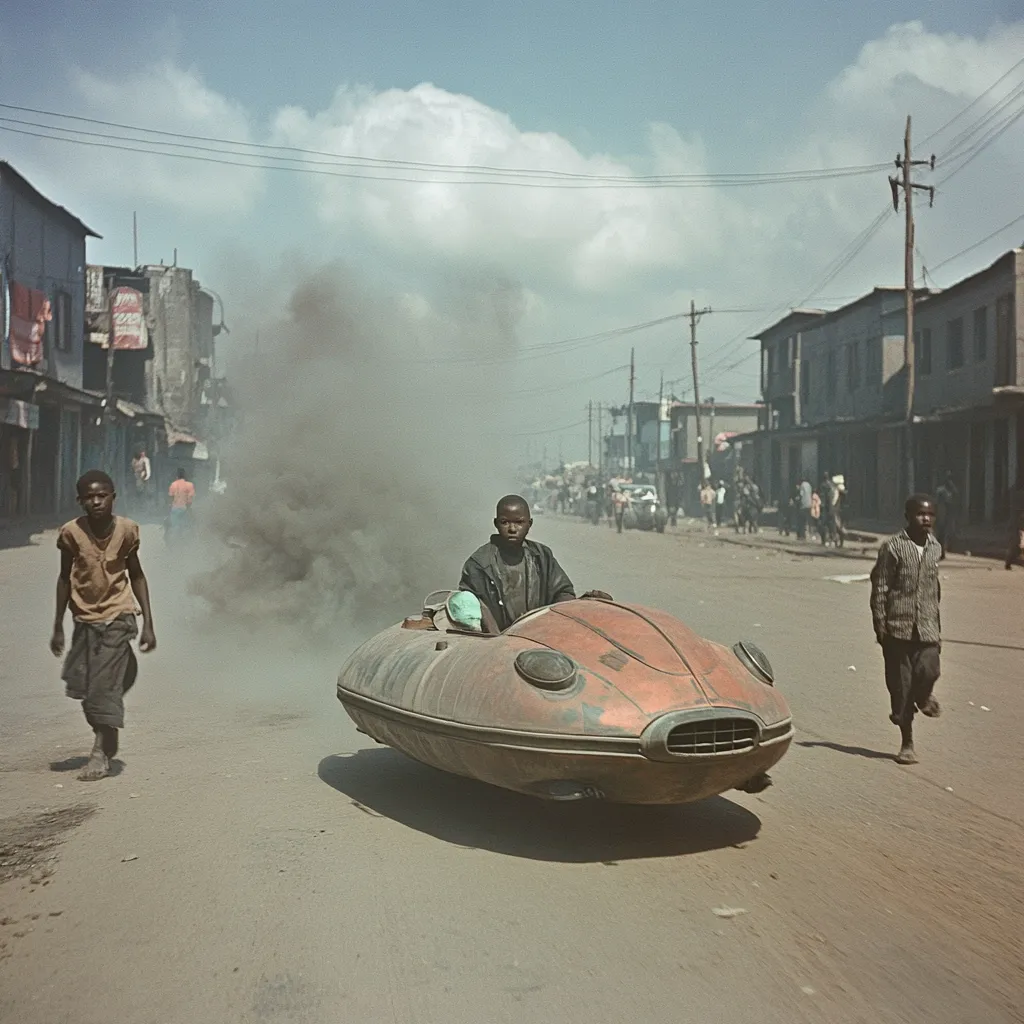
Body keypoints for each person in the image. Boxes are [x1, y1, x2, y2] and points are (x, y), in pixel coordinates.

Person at [50, 470, 156, 781]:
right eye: (90, 497)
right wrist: (57, 624)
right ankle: (109, 715)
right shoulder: (70, 533)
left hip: (119, 616)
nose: (97, 501)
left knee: (101, 688)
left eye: (103, 495)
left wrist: (148, 622)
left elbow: (136, 575)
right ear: (80, 501)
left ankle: (100, 753)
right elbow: (63, 579)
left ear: (113, 496)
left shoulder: (126, 531)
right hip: (84, 619)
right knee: (81, 685)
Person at [459, 495, 608, 633]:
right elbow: (471, 607)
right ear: (496, 524)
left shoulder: (542, 556)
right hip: (496, 639)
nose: (512, 529)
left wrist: (579, 605)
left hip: (538, 635)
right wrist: (496, 638)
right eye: (505, 522)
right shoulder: (479, 564)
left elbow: (562, 591)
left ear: (529, 524)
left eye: (519, 522)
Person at [870, 495, 942, 765]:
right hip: (897, 629)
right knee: (901, 689)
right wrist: (880, 625)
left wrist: (938, 624)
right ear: (908, 517)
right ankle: (907, 742)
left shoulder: (936, 548)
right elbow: (880, 587)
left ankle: (923, 698)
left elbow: (934, 591)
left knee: (931, 669)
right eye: (920, 514)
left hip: (927, 627)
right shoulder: (893, 547)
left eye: (930, 515)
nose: (926, 519)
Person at [934, 471, 959, 560]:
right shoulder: (943, 491)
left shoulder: (948, 491)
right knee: (942, 535)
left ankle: (943, 551)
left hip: (945, 517)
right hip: (943, 517)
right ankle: (941, 552)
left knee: (943, 535)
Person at [167, 467, 196, 544]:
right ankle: (183, 541)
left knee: (174, 525)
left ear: (177, 476)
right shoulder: (190, 485)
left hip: (175, 508)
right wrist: (189, 508)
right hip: (185, 509)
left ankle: (173, 541)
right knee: (186, 526)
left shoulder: (173, 485)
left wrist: (169, 507)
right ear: (185, 476)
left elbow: (170, 498)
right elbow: (190, 499)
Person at [1006, 476, 1024, 570]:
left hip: (1016, 519)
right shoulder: (1020, 494)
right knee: (1020, 541)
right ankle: (1010, 561)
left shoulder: (1013, 491)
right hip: (1020, 519)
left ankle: (1009, 561)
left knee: (1016, 541)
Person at [131, 448, 152, 513]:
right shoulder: (134, 460)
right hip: (138, 477)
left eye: (143, 452)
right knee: (139, 492)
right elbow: (133, 468)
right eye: (141, 452)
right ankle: (138, 508)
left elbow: (147, 469)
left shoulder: (146, 460)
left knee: (144, 493)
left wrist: (145, 477)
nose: (142, 453)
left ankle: (145, 509)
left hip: (143, 477)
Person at [797, 476, 812, 540]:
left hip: (803, 505)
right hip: (809, 504)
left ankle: (802, 535)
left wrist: (797, 500)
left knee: (801, 521)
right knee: (807, 520)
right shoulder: (809, 485)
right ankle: (807, 533)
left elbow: (801, 495)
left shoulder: (802, 486)